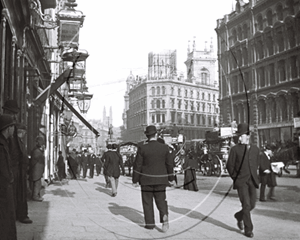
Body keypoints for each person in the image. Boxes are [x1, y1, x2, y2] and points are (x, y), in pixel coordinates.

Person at [132, 125, 175, 232]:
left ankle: (150, 224)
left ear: (147, 136)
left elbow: (138, 165)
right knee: (161, 200)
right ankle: (164, 217)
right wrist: (171, 178)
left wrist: (135, 180)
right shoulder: (164, 148)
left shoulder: (142, 148)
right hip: (160, 179)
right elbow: (169, 164)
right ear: (156, 134)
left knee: (147, 202)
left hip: (146, 180)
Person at [226, 123, 260, 238]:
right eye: (238, 136)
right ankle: (248, 229)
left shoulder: (255, 149)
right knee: (246, 205)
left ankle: (239, 216)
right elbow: (229, 166)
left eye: (242, 136)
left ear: (248, 136)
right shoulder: (235, 150)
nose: (239, 138)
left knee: (252, 204)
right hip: (241, 182)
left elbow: (257, 163)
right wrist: (236, 178)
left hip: (252, 181)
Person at [3, 100, 32, 224]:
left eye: (15, 113)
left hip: (19, 166)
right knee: (11, 192)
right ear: (6, 112)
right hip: (11, 165)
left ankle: (21, 214)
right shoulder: (5, 126)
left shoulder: (14, 126)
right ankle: (13, 215)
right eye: (12, 113)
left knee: (21, 192)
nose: (14, 116)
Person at [0, 114, 18, 239]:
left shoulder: (5, 142)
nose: (14, 129)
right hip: (3, 189)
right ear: (7, 128)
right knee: (6, 218)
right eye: (12, 126)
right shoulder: (1, 146)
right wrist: (9, 179)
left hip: (6, 188)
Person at [29, 136, 46, 202]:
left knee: (37, 183)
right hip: (36, 170)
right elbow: (34, 162)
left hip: (37, 170)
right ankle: (35, 196)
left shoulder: (37, 151)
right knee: (37, 183)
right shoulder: (37, 152)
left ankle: (36, 195)